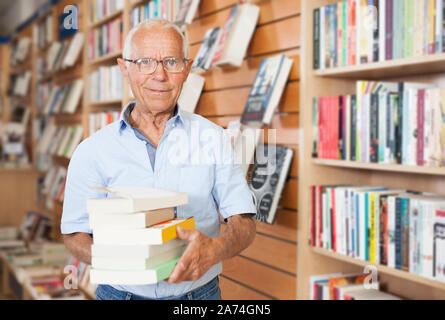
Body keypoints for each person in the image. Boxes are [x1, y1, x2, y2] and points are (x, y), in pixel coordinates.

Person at [61, 19, 257, 300]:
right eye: (144, 62)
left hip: (198, 297)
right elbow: (74, 233)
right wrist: (119, 259)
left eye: (172, 62)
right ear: (125, 69)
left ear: (187, 70)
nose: (159, 75)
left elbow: (244, 220)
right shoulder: (91, 151)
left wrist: (216, 249)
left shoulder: (214, 139)